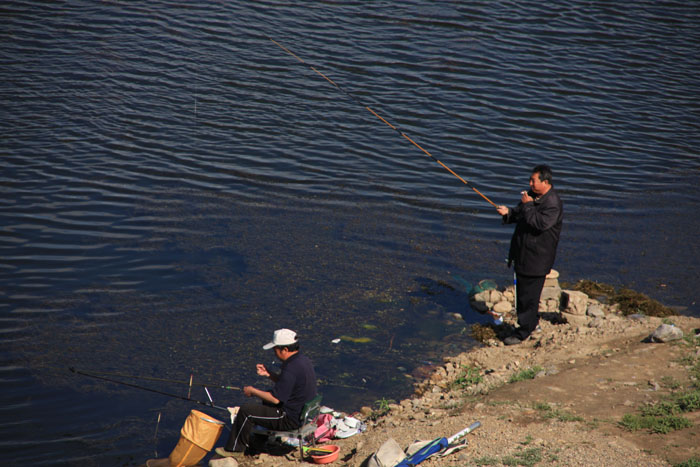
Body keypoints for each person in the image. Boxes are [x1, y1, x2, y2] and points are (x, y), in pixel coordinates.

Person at [215, 328, 317, 457]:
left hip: (290, 418)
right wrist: (269, 374)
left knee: (246, 411)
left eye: (275, 349)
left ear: (284, 349)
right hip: (302, 414)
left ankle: (234, 450)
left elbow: (276, 399)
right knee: (266, 398)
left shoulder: (291, 367)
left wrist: (252, 391)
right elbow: (287, 384)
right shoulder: (302, 360)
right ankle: (260, 439)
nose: (274, 353)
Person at [496, 165, 563, 345]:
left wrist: (527, 205)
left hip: (537, 258)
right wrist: (508, 213)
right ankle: (530, 322)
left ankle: (523, 332)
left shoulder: (553, 204)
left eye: (534, 180)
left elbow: (538, 224)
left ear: (546, 182)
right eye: (530, 180)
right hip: (523, 254)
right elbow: (520, 214)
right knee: (523, 292)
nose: (530, 183)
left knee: (529, 295)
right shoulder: (532, 197)